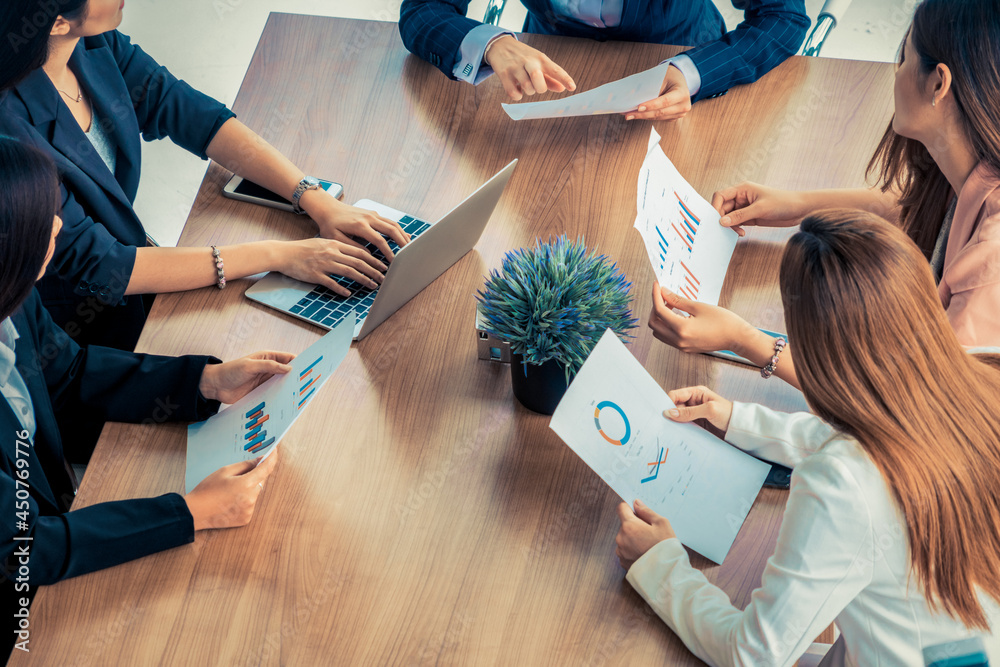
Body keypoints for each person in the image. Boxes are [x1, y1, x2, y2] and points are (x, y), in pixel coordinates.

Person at [614, 209, 1000, 666]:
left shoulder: (844, 483)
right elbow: (886, 444)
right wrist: (735, 419)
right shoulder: (980, 379)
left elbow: (753, 655)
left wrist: (661, 566)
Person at [0, 136, 289, 657]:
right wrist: (191, 512)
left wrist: (205, 382)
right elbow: (24, 549)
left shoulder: (12, 298)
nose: (59, 227)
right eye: (43, 217)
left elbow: (68, 373)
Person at [0, 0, 411, 351]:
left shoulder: (91, 43)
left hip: (135, 269)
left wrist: (315, 199)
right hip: (78, 328)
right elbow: (104, 265)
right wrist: (280, 255)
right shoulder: (12, 129)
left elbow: (188, 113)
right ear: (56, 21)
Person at [649, 0, 1000, 387]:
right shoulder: (974, 174)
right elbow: (913, 209)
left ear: (938, 84)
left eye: (904, 58)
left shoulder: (989, 265)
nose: (896, 73)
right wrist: (798, 205)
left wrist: (744, 340)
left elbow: (910, 405)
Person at [398, 0, 809, 120]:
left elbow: (783, 16)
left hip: (682, 67)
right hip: (551, 74)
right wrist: (491, 44)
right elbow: (422, 11)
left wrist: (693, 72)